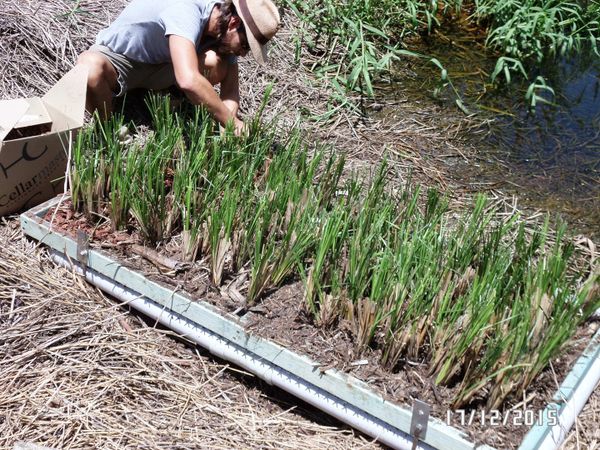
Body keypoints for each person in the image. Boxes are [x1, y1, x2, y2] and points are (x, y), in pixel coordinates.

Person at [76, 0, 280, 135]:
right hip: (123, 60)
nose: (243, 53)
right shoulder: (187, 10)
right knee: (90, 69)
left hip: (163, 64)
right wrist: (235, 125)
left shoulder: (222, 24)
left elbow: (230, 90)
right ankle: (108, 131)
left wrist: (228, 121)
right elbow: (188, 80)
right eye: (245, 46)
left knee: (218, 63)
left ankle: (164, 97)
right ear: (234, 23)